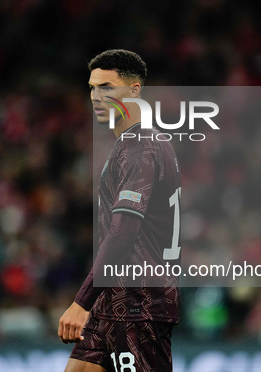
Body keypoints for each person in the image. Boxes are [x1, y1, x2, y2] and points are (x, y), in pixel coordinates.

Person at [58, 49, 181, 372]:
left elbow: (124, 230)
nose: (96, 96)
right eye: (92, 87)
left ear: (134, 91)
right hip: (113, 298)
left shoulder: (139, 148)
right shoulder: (134, 145)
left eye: (107, 87)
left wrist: (81, 301)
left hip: (137, 302)